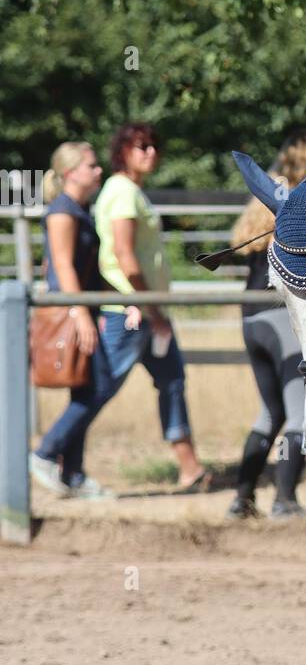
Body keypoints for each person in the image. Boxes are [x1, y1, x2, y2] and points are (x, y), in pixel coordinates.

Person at [93, 122, 210, 491]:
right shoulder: (123, 192)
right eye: (141, 146)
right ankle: (54, 452)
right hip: (131, 312)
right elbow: (125, 257)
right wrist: (152, 309)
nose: (150, 152)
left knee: (172, 380)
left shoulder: (130, 192)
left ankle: (190, 467)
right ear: (123, 151)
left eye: (154, 146)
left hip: (146, 310)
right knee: (100, 389)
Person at [226, 133, 306, 521]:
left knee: (270, 414)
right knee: (300, 413)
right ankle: (285, 500)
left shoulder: (263, 199)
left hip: (251, 317)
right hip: (280, 315)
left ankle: (242, 499)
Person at [30, 142, 118, 499]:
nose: (99, 171)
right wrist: (80, 313)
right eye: (91, 166)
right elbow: (63, 265)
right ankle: (45, 453)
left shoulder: (80, 209)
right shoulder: (62, 211)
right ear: (71, 173)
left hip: (83, 308)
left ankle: (74, 475)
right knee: (96, 387)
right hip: (72, 311)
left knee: (86, 388)